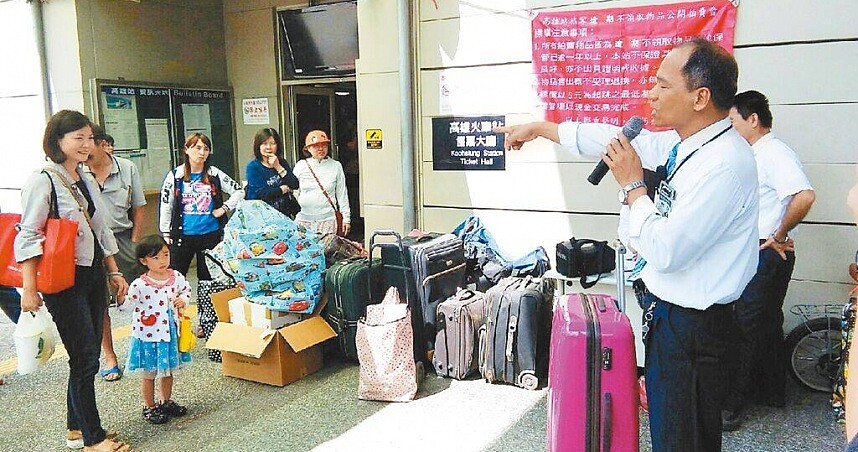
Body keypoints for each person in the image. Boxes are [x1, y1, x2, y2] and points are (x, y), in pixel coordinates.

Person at [495, 38, 758, 451]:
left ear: (700, 97)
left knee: (682, 438)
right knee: (675, 431)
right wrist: (541, 129)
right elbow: (612, 140)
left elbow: (668, 251)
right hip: (675, 319)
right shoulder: (688, 143)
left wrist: (634, 187)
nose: (649, 94)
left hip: (695, 328)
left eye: (662, 85)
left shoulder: (723, 164)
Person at [15, 110, 131, 451]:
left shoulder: (85, 177)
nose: (85, 144)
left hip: (93, 270)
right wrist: (29, 287)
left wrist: (114, 271)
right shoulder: (44, 179)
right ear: (57, 142)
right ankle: (93, 439)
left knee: (89, 352)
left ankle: (76, 428)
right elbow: (29, 234)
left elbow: (101, 229)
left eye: (89, 138)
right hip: (63, 278)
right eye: (77, 138)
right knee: (84, 357)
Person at [721, 90, 816, 430]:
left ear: (753, 119)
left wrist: (778, 233)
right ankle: (770, 391)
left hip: (766, 253)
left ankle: (731, 406)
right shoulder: (754, 153)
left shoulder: (774, 152)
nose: (730, 129)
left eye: (733, 122)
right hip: (762, 251)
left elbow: (804, 195)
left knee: (743, 326)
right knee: (766, 324)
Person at [84, 125, 147, 382]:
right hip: (91, 245)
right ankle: (109, 356)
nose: (84, 149)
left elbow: (139, 207)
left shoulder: (126, 168)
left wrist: (134, 241)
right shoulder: (78, 172)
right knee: (100, 303)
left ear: (101, 143)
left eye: (88, 142)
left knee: (140, 296)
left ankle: (147, 346)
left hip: (122, 239)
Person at [121, 235, 192, 424]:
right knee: (149, 373)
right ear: (144, 261)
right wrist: (121, 297)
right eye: (156, 258)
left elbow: (186, 290)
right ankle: (149, 406)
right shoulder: (139, 285)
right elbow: (127, 305)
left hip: (170, 333)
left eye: (166, 255)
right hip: (148, 336)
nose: (163, 261)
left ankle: (165, 401)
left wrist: (183, 300)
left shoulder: (175, 277)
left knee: (168, 370)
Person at [159, 133, 244, 280]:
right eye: (197, 148)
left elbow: (239, 191)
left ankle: (206, 303)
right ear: (186, 149)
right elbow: (167, 204)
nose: (201, 153)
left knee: (209, 279)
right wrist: (166, 232)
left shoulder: (214, 173)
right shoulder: (175, 175)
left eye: (205, 149)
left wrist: (224, 208)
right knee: (175, 278)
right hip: (182, 236)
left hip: (210, 234)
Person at [292, 130, 351, 236]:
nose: (320, 149)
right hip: (304, 219)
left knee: (325, 251)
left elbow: (342, 194)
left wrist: (346, 218)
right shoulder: (301, 165)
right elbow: (293, 189)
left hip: (328, 219)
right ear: (308, 148)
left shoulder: (336, 166)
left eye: (324, 145)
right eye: (315, 146)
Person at [244, 128, 299, 217]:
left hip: (283, 216)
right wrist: (282, 190)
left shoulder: (282, 163)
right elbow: (260, 193)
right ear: (258, 146)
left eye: (273, 143)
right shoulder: (253, 167)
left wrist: (278, 167)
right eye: (264, 144)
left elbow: (294, 184)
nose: (269, 147)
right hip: (262, 217)